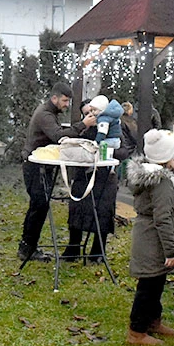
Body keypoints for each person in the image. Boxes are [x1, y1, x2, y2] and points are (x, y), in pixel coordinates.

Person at [19, 82, 96, 262]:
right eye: (64, 100)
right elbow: (59, 136)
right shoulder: (45, 115)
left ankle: (27, 247)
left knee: (39, 206)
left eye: (68, 101)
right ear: (54, 98)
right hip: (35, 166)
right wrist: (82, 124)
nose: (66, 105)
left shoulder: (50, 112)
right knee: (38, 206)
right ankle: (27, 248)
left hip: (39, 165)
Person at [124, 129, 174, 346]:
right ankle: (136, 331)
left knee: (157, 282)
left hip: (149, 238)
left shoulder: (150, 177)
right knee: (148, 287)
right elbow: (163, 219)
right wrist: (170, 251)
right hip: (153, 241)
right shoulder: (160, 183)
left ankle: (153, 321)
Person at [63, 99, 136, 263]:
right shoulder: (82, 128)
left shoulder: (114, 125)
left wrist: (108, 153)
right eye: (87, 113)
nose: (91, 115)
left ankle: (98, 251)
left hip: (106, 177)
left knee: (103, 211)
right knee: (77, 208)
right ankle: (73, 247)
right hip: (83, 176)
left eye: (93, 111)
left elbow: (125, 150)